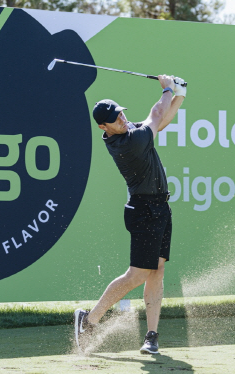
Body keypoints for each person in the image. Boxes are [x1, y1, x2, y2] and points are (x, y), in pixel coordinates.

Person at [74, 74, 186, 355]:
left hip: (160, 207)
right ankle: (89, 320)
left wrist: (180, 95)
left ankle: (151, 336)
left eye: (121, 113)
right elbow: (158, 113)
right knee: (137, 275)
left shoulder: (127, 131)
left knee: (157, 271)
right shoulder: (129, 141)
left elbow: (162, 121)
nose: (122, 119)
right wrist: (167, 89)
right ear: (103, 127)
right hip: (144, 210)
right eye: (115, 118)